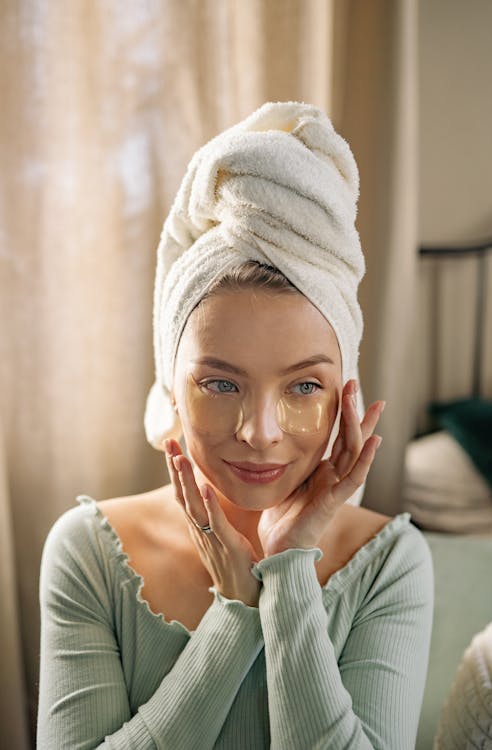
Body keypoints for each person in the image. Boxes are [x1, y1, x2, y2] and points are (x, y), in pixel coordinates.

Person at [37, 101, 434, 749]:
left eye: (304, 385)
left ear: (344, 393)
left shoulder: (389, 563)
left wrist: (288, 573)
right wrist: (234, 615)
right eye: (221, 383)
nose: (259, 432)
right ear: (172, 385)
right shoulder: (88, 552)